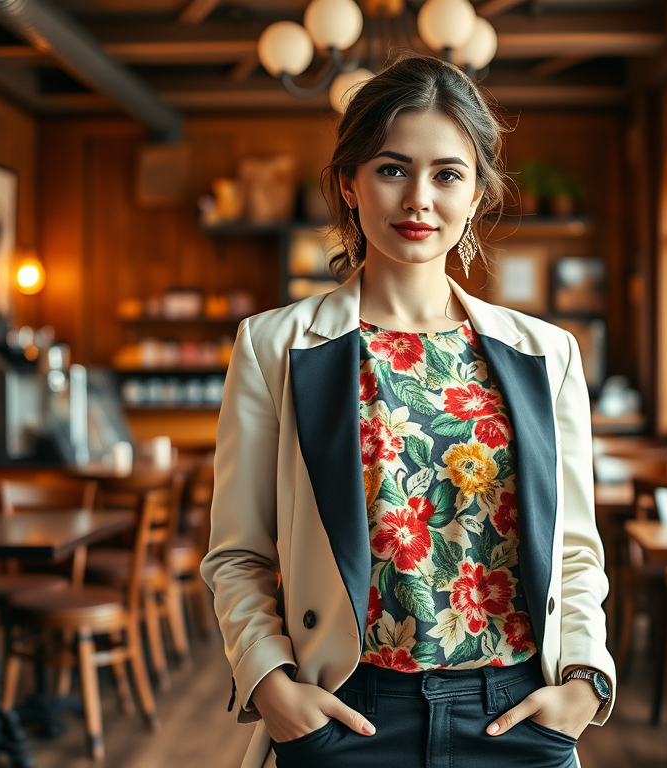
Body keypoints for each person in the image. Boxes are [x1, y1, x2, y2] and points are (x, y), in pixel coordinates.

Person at [201, 52, 615, 768]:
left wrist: (582, 681)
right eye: (392, 169)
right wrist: (270, 684)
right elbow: (238, 553)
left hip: (517, 715)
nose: (418, 198)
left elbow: (575, 548)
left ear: (478, 193)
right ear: (350, 184)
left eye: (447, 174)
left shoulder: (547, 353)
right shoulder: (273, 346)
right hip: (346, 716)